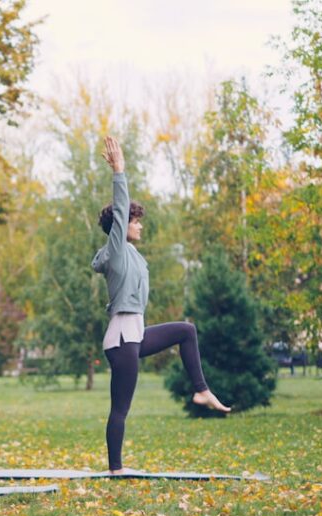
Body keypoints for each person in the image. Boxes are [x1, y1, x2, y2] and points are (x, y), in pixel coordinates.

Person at [91, 136, 231, 475]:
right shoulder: (116, 250)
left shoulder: (134, 255)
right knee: (121, 408)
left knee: (186, 331)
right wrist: (119, 171)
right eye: (135, 221)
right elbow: (120, 213)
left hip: (134, 333)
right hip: (123, 338)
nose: (139, 225)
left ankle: (201, 391)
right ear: (121, 227)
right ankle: (115, 468)